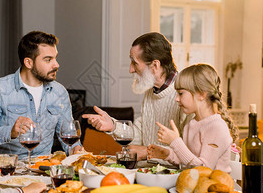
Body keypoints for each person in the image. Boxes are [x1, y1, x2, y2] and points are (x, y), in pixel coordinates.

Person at [0, 31, 82, 159]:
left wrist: (75, 148)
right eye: (48, 60)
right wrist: (10, 132)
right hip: (9, 171)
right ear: (28, 63)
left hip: (43, 168)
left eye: (55, 58)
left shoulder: (59, 92)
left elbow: (67, 135)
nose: (56, 65)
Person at [82, 32, 191, 160]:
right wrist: (112, 125)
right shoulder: (151, 91)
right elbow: (139, 134)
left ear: (155, 65)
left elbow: (189, 151)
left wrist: (148, 152)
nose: (130, 69)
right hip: (148, 172)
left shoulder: (185, 95)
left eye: (134, 63)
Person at [147, 64, 238, 172]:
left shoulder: (217, 127)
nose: (176, 99)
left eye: (181, 93)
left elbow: (202, 169)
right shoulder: (191, 124)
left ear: (201, 94)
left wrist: (175, 142)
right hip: (193, 185)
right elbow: (187, 161)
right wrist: (168, 154)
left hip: (214, 187)